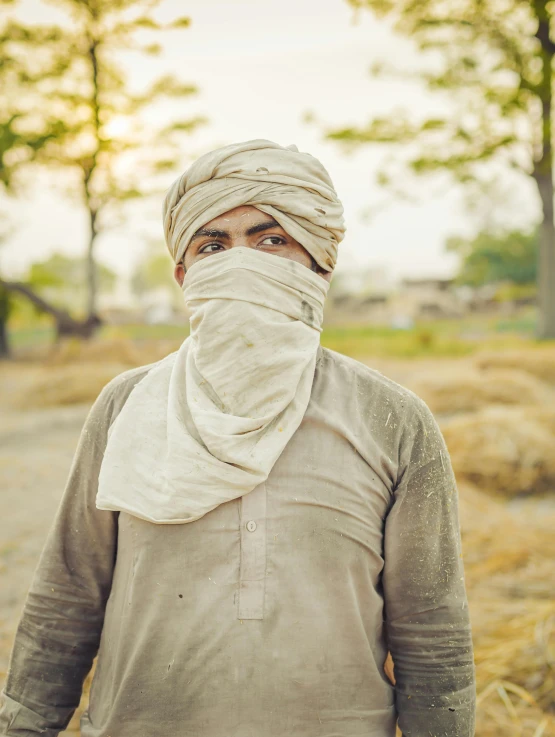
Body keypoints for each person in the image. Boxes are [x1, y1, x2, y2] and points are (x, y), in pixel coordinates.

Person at [0, 140, 476, 737]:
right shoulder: (126, 407)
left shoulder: (394, 420)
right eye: (213, 246)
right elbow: (66, 598)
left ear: (320, 263)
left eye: (271, 240)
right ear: (184, 274)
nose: (241, 263)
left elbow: (432, 632)